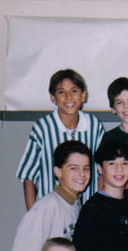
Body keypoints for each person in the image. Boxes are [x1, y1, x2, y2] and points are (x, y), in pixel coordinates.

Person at [10, 140, 92, 251]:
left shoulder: (76, 206)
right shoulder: (45, 208)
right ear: (58, 171)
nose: (82, 174)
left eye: (86, 168)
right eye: (73, 168)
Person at [16, 68, 104, 209]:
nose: (68, 97)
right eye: (61, 92)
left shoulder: (93, 125)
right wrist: (33, 216)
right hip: (51, 211)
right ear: (53, 98)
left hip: (87, 210)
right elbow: (28, 177)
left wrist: (99, 208)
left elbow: (102, 170)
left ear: (83, 96)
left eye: (74, 91)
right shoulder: (43, 128)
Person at [73, 139, 128, 251]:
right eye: (112, 164)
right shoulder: (92, 209)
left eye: (124, 163)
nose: (119, 170)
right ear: (100, 168)